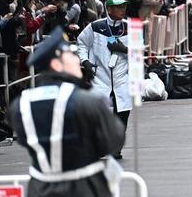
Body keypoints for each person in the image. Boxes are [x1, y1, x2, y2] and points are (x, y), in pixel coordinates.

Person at [10, 28, 125, 197]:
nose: (76, 59)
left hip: (40, 188)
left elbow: (23, 138)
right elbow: (114, 140)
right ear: (57, 64)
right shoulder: (87, 101)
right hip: (85, 186)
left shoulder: (20, 104)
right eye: (70, 54)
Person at [76, 0, 131, 158]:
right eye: (119, 7)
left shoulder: (130, 27)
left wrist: (125, 49)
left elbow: (140, 51)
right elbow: (81, 43)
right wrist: (85, 61)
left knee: (123, 113)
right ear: (109, 9)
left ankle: (116, 148)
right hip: (100, 76)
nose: (123, 10)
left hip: (122, 77)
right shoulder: (95, 27)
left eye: (124, 6)